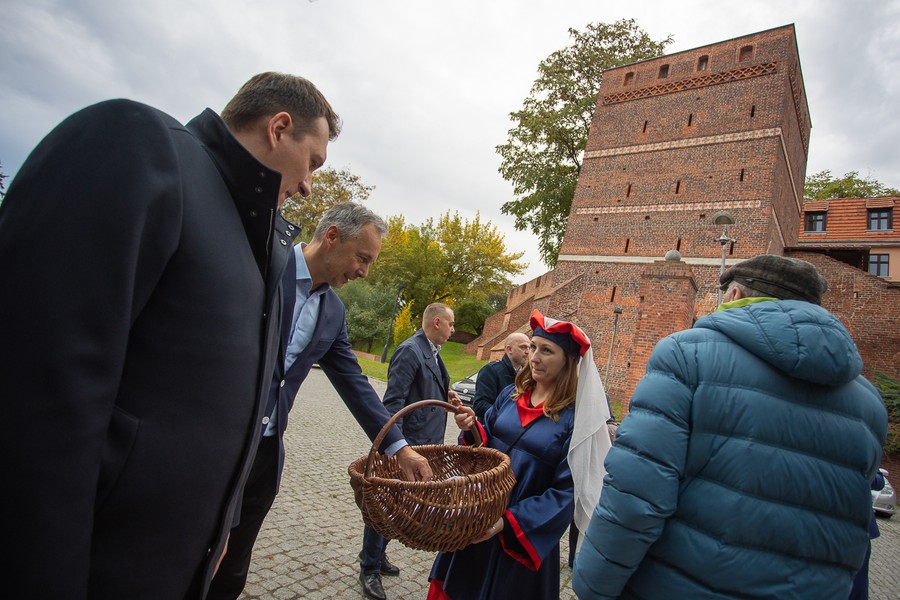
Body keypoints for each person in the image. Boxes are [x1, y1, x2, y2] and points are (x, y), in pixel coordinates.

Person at [0, 72, 340, 599]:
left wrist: (215, 527)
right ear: (278, 128)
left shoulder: (262, 242)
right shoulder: (141, 146)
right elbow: (40, 390)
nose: (308, 185)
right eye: (312, 162)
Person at [573, 254, 889, 600]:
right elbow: (853, 524)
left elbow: (637, 493)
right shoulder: (870, 404)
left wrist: (592, 585)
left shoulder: (686, 355)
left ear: (735, 294)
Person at [209, 203, 433, 599]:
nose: (364, 271)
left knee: (231, 574)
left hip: (264, 459)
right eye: (362, 258)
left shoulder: (333, 312)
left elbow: (355, 384)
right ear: (331, 237)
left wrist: (400, 449)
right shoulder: (262, 265)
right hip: (214, 445)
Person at [427, 310, 612, 600]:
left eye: (547, 351)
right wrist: (471, 426)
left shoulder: (575, 421)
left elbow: (566, 493)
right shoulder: (511, 396)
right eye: (533, 347)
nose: (534, 357)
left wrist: (507, 522)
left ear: (568, 361)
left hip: (520, 539)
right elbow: (485, 445)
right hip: (477, 518)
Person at [359, 302, 457, 600]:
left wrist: (445, 394)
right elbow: (393, 403)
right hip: (408, 445)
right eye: (451, 324)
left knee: (400, 508)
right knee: (387, 506)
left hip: (425, 443)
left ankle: (378, 555)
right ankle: (369, 568)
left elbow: (423, 388)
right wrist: (397, 449)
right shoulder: (410, 350)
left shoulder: (431, 350)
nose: (453, 330)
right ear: (437, 322)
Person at [472, 332, 531, 420]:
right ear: (509, 349)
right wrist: (505, 418)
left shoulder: (527, 375)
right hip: (492, 427)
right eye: (523, 347)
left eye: (529, 348)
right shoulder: (491, 370)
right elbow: (479, 405)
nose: (527, 352)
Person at [849, 471, 886, 600]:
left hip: (860, 529)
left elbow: (880, 481)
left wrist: (864, 475)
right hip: (827, 527)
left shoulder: (865, 458)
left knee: (858, 586)